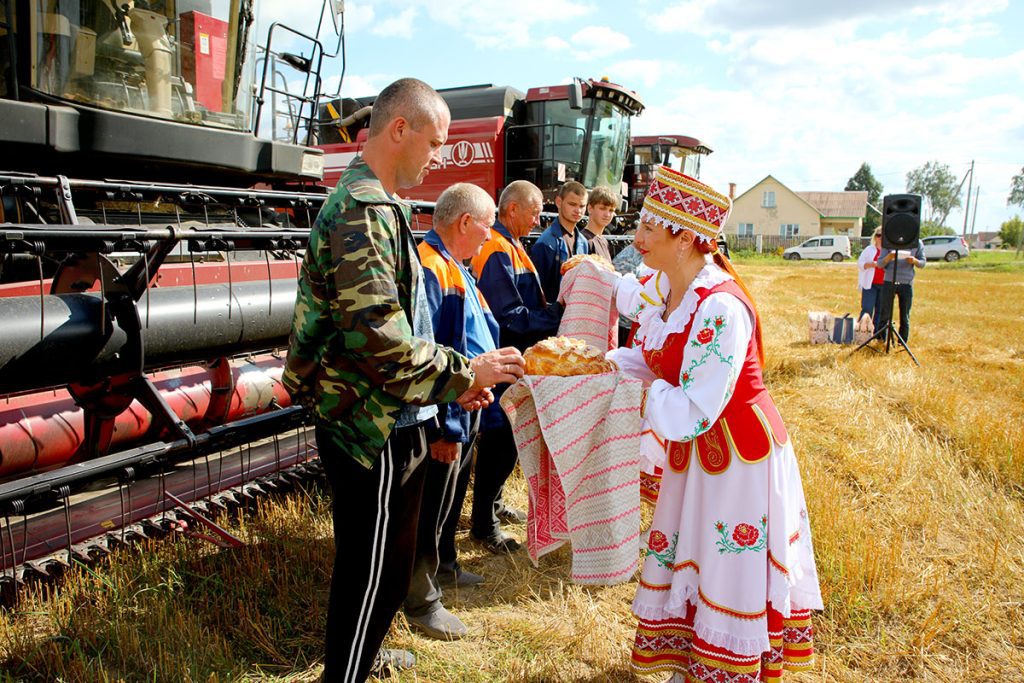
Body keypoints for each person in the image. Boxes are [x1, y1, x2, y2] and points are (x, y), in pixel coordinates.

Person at [282, 77, 525, 683]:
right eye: (436, 143)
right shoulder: (363, 210)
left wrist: (451, 386)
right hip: (369, 422)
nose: (439, 156)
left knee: (387, 569)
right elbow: (378, 342)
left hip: (390, 413)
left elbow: (401, 325)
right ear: (400, 130)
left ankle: (364, 654)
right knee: (373, 570)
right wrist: (467, 370)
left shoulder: (380, 206)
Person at [607, 166, 823, 681]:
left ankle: (726, 666)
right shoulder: (674, 291)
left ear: (684, 240)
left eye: (648, 230)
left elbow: (695, 406)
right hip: (703, 450)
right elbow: (661, 363)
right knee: (698, 551)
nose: (637, 240)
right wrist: (608, 366)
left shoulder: (720, 306)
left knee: (726, 561)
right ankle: (694, 663)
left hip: (737, 455)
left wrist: (635, 390)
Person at [404, 183, 500, 641]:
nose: (490, 232)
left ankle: (444, 567)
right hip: (446, 415)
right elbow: (433, 352)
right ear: (465, 222)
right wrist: (445, 427)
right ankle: (423, 601)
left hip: (465, 407)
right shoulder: (430, 268)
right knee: (428, 509)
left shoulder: (453, 265)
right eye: (488, 222)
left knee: (446, 503)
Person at [470, 180, 564, 553]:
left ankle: (491, 507)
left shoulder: (512, 245)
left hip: (514, 361)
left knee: (506, 441)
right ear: (512, 210)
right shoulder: (496, 249)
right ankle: (484, 525)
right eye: (534, 211)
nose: (538, 218)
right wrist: (556, 315)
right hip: (503, 359)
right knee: (499, 441)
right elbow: (509, 315)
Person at [530, 180, 589, 303]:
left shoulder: (583, 242)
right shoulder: (546, 243)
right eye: (572, 204)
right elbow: (537, 292)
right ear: (559, 202)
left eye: (582, 206)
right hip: (553, 318)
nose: (578, 210)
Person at [876, 236, 926, 343]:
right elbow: (879, 264)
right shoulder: (889, 241)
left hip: (906, 283)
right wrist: (889, 256)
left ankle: (902, 342)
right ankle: (881, 340)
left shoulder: (917, 243)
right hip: (889, 281)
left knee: (905, 316)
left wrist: (915, 261)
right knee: (884, 313)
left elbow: (922, 263)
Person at [580, 185, 618, 262]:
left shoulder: (604, 241)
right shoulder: (583, 241)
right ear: (590, 208)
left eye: (611, 210)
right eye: (602, 208)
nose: (607, 214)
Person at [856, 228, 884, 331]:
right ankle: (862, 331)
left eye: (883, 235)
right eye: (878, 235)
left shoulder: (888, 251)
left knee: (880, 311)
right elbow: (860, 264)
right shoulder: (869, 249)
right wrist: (870, 264)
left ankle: (876, 333)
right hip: (870, 284)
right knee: (867, 308)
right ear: (875, 237)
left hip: (884, 284)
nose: (880, 238)